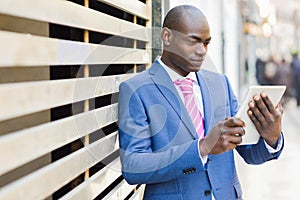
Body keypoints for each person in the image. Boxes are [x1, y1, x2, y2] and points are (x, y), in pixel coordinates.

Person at [118, 5, 284, 200]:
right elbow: (133, 167)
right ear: (167, 37)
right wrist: (202, 148)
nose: (202, 51)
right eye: (193, 41)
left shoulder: (220, 83)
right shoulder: (136, 90)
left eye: (206, 43)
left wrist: (271, 139)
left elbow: (249, 153)